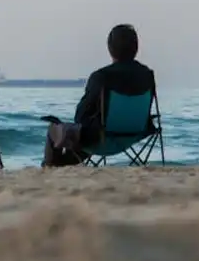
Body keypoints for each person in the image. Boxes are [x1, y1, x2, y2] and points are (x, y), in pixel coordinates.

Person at [42, 24, 157, 167]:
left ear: (110, 49)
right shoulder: (147, 75)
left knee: (55, 129)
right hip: (135, 135)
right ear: (136, 48)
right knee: (92, 132)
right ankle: (59, 164)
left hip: (102, 139)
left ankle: (49, 167)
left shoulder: (101, 76)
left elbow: (80, 116)